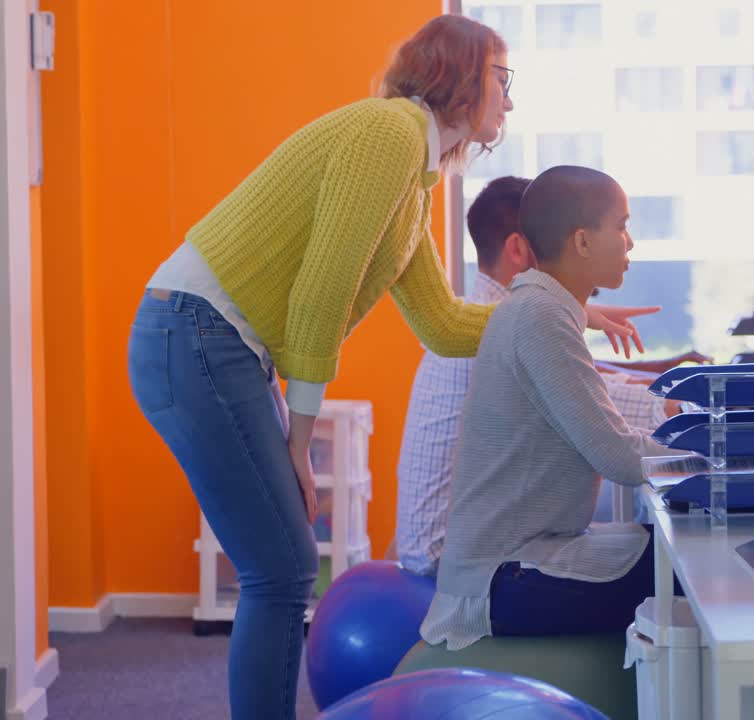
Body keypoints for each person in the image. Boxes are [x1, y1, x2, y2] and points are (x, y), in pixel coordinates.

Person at [125, 17, 649, 719]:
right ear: (461, 78)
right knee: (279, 571)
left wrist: (563, 313)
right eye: (502, 79)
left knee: (278, 569)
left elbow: (441, 323)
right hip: (194, 333)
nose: (509, 100)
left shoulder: (416, 178)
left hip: (214, 342)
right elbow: (320, 297)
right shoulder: (389, 136)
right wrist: (300, 447)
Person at [421, 165, 684, 651]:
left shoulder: (542, 309)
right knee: (694, 572)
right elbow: (619, 456)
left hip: (515, 563)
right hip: (501, 580)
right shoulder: (540, 318)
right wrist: (722, 463)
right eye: (622, 226)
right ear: (582, 241)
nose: (631, 243)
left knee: (678, 549)